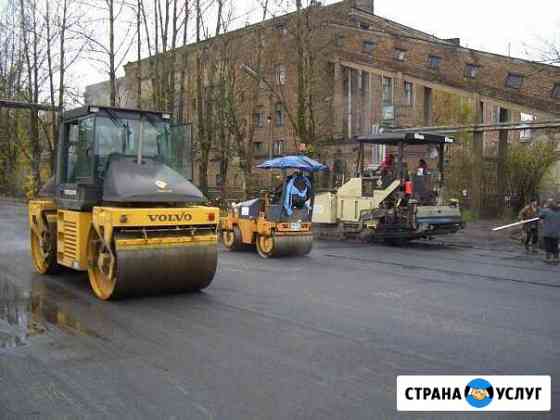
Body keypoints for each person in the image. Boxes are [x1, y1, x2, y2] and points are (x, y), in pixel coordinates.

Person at [539, 199, 560, 264]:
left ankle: (548, 258)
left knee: (548, 245)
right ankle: (556, 258)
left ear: (548, 205)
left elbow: (540, 216)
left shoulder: (545, 211)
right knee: (555, 245)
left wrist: (544, 208)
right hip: (556, 232)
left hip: (547, 232)